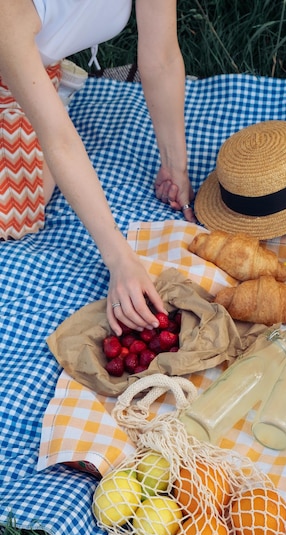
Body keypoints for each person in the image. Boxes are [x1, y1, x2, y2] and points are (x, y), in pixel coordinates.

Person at [0, 0, 195, 335]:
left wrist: (175, 165)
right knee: (15, 209)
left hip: (30, 73)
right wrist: (121, 260)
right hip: (14, 68)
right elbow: (59, 140)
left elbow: (161, 58)